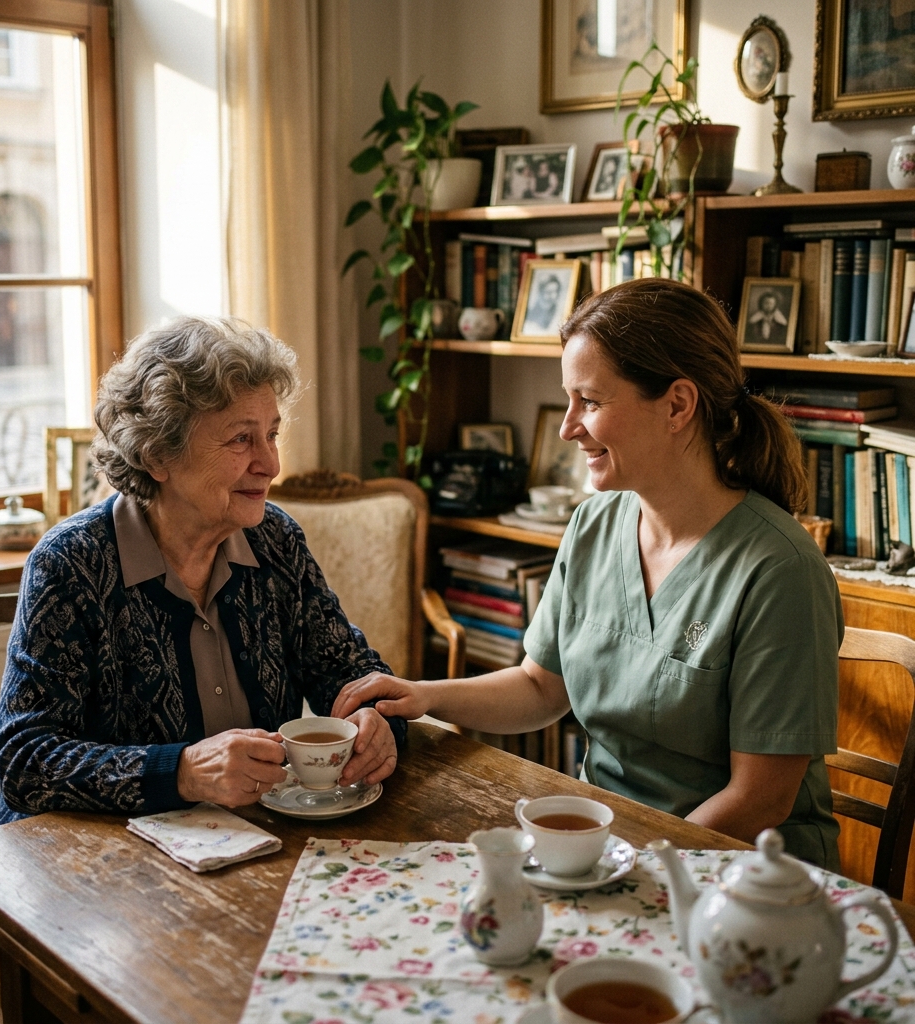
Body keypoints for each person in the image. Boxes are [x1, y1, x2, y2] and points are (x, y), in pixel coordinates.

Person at [335, 279, 843, 869]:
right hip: (606, 845)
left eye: (591, 402)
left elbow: (759, 799)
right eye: (568, 399)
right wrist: (423, 695)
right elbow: (540, 687)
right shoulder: (593, 525)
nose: (567, 426)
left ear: (678, 405)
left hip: (737, 874)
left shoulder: (780, 571)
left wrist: (627, 865)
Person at [0, 316, 402, 823]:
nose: (270, 464)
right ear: (157, 454)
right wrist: (183, 772)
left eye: (272, 434)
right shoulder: (71, 564)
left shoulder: (275, 540)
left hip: (245, 841)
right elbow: (25, 761)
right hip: (95, 856)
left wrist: (377, 722)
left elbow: (352, 675)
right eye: (241, 439)